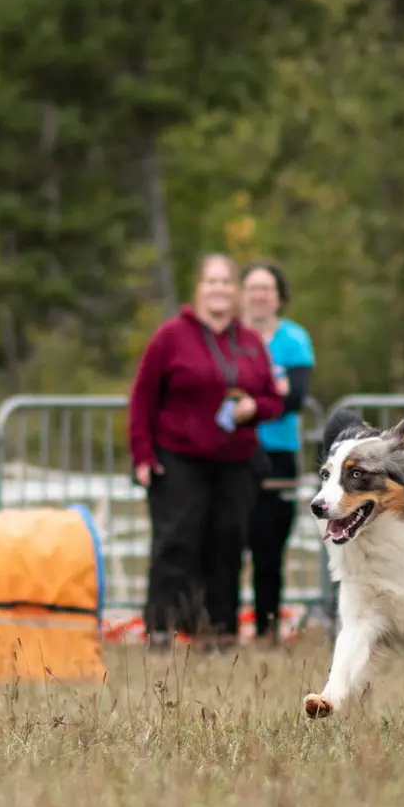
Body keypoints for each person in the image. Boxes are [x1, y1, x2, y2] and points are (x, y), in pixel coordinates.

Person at [129, 252, 285, 650]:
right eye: (211, 281)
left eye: (226, 282)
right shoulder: (170, 337)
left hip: (235, 461)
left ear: (236, 292)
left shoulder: (249, 342)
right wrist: (142, 454)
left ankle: (219, 630)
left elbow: (272, 399)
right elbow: (143, 396)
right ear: (199, 289)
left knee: (227, 545)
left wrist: (253, 408)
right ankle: (161, 629)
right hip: (179, 456)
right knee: (175, 542)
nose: (219, 289)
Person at [239, 260, 315, 643]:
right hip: (232, 451)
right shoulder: (228, 337)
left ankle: (266, 628)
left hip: (278, 451)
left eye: (266, 288)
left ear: (278, 296)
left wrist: (250, 401)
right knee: (227, 540)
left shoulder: (294, 339)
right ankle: (215, 626)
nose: (259, 295)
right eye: (252, 287)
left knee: (269, 547)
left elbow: (295, 398)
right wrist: (270, 394)